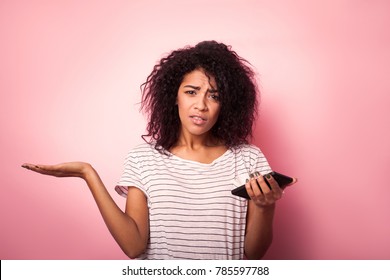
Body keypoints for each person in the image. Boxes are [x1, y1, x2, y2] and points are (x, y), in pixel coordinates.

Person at [22, 41, 297, 260]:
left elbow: (254, 255)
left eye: (214, 96)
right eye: (191, 92)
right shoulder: (144, 159)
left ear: (226, 105)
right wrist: (87, 173)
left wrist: (265, 206)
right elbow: (133, 247)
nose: (201, 105)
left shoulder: (247, 158)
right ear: (173, 97)